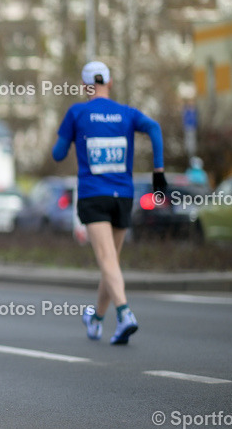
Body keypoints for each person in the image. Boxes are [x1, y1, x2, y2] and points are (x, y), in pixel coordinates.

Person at [53, 61, 165, 345]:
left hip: (93, 196)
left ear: (85, 86)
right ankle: (96, 319)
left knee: (106, 261)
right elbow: (154, 128)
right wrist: (158, 172)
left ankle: (125, 313)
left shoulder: (77, 112)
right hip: (123, 196)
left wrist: (71, 140)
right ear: (110, 83)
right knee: (110, 263)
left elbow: (56, 154)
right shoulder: (126, 113)